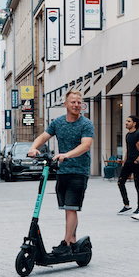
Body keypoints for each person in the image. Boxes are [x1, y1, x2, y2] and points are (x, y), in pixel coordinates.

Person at [27, 90, 94, 251]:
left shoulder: (86, 124)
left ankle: (66, 243)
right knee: (67, 208)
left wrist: (67, 155)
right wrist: (33, 147)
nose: (77, 105)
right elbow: (43, 137)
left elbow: (86, 146)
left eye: (79, 102)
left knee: (71, 207)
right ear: (65, 104)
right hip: (63, 171)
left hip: (79, 171)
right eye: (73, 102)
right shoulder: (58, 123)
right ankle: (72, 240)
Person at [116, 115, 139, 214]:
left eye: (128, 121)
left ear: (134, 123)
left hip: (136, 163)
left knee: (138, 185)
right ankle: (126, 205)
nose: (126, 123)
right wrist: (124, 161)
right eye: (126, 121)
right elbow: (128, 149)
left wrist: (137, 161)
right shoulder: (127, 135)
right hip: (128, 163)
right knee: (120, 182)